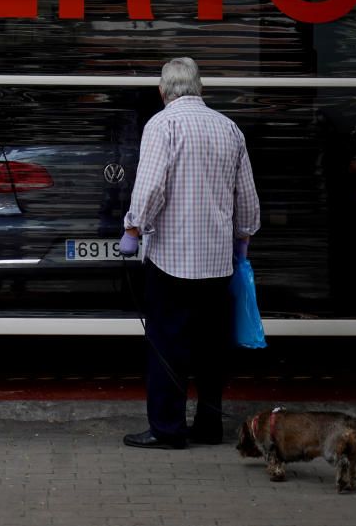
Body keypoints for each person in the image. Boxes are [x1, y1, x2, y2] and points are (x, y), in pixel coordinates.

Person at [119, 57, 260, 450]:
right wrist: (243, 237)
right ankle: (209, 425)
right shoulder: (228, 128)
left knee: (167, 344)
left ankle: (167, 429)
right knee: (211, 347)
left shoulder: (162, 124)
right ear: (201, 88)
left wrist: (132, 229)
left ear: (162, 91)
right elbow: (245, 195)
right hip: (217, 260)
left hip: (172, 260)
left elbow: (150, 187)